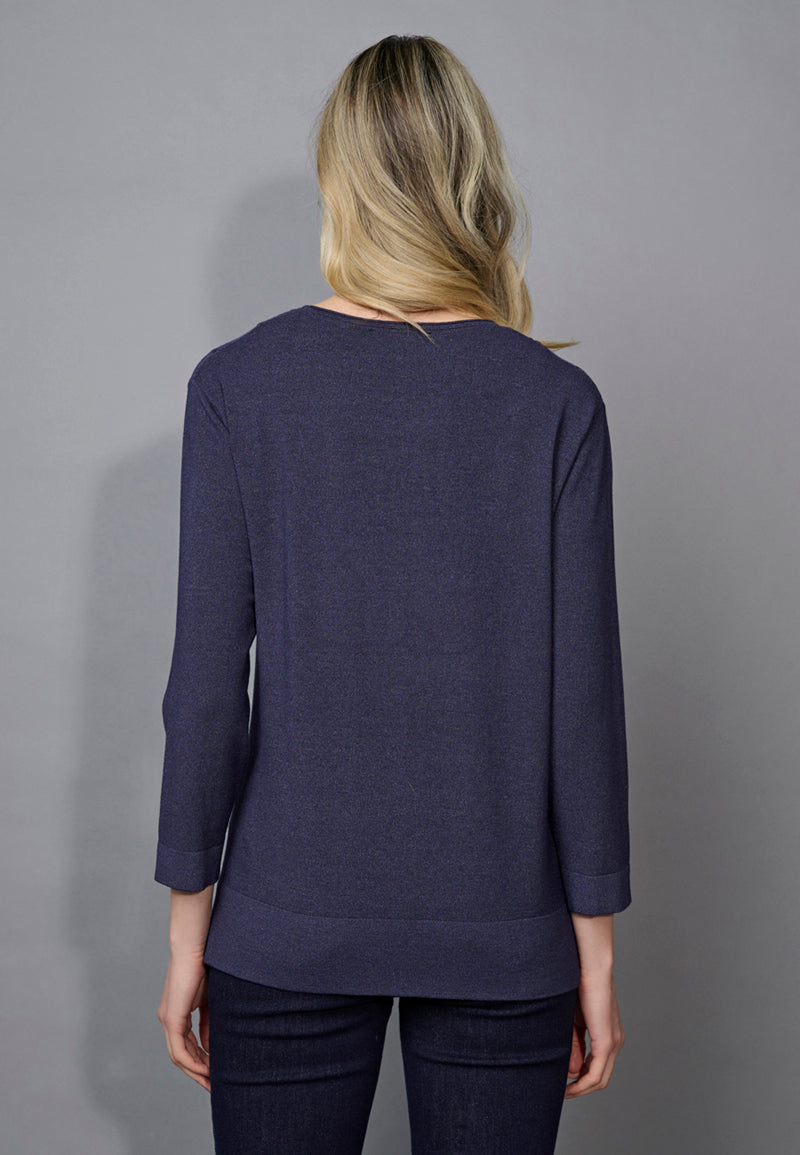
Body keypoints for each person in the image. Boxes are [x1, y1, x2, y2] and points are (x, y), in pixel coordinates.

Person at [154, 33, 631, 1155]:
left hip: (282, 925)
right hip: (503, 933)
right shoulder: (555, 403)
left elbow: (205, 690)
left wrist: (187, 929)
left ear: (339, 179)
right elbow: (583, 704)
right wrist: (595, 952)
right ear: (474, 176)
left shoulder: (237, 386)